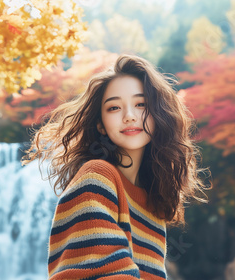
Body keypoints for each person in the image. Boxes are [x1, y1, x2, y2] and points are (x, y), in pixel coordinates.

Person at [21, 54, 211, 279]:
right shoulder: (97, 177)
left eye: (141, 104)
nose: (129, 116)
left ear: (158, 115)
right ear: (101, 125)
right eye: (114, 108)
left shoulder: (154, 202)